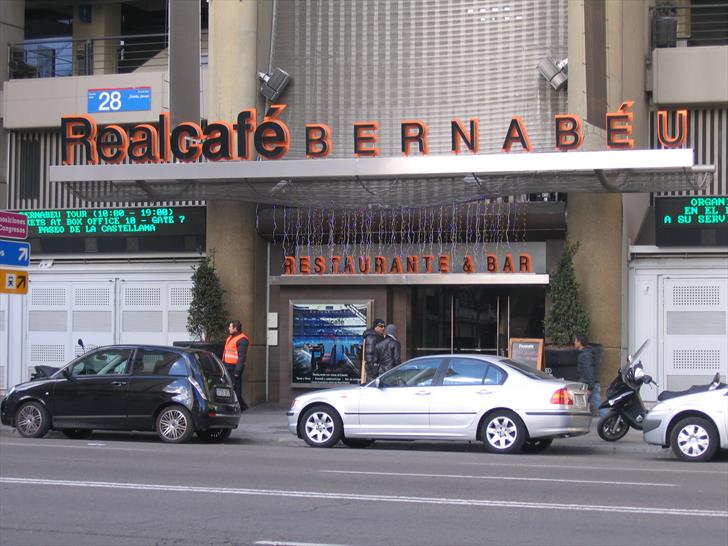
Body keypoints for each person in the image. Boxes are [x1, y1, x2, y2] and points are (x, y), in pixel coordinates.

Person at [574, 334, 605, 417]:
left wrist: (590, 387)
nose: (574, 343)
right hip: (588, 384)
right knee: (582, 406)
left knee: (581, 405)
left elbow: (589, 371)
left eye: (575, 341)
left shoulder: (585, 355)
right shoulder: (585, 353)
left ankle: (609, 421)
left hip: (588, 385)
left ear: (579, 342)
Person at [223, 319, 249, 411]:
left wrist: (237, 371)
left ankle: (239, 407)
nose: (228, 328)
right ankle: (241, 406)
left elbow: (242, 357)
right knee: (232, 387)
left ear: (235, 328)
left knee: (236, 388)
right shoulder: (230, 337)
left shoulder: (242, 340)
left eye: (230, 327)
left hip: (234, 367)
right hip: (228, 366)